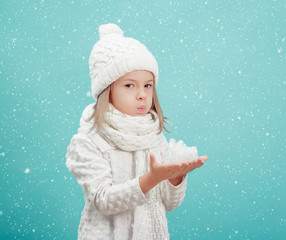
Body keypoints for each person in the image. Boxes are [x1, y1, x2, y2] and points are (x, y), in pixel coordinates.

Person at [65, 23, 208, 240]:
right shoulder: (88, 141)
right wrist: (151, 178)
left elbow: (168, 204)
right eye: (130, 85)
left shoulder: (152, 136)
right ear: (107, 89)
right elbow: (104, 200)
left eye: (148, 85)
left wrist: (174, 178)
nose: (142, 94)